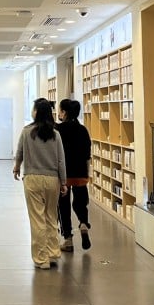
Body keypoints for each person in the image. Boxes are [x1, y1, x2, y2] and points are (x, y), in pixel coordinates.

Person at [13, 97, 67, 269]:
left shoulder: (27, 131)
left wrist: (16, 168)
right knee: (51, 217)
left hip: (32, 178)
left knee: (37, 218)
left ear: (36, 112)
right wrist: (63, 182)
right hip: (52, 180)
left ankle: (41, 259)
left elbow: (19, 152)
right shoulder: (55, 134)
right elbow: (60, 161)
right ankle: (53, 253)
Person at [56, 98, 92, 251]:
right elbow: (87, 154)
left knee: (63, 206)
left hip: (64, 173)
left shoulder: (59, 130)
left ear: (64, 112)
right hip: (80, 173)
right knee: (80, 201)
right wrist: (87, 174)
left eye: (60, 110)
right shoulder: (83, 130)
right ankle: (83, 223)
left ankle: (68, 239)